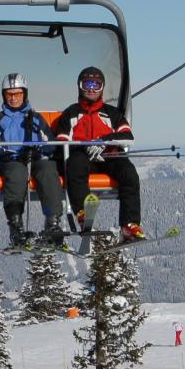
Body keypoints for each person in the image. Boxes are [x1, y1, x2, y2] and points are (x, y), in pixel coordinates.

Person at [54, 65, 145, 241]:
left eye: (96, 85)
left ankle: (129, 224)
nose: (91, 89)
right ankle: (83, 213)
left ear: (102, 88)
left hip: (107, 157)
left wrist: (104, 142)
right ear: (80, 86)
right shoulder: (71, 113)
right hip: (82, 157)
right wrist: (85, 147)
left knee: (128, 172)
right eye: (87, 84)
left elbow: (127, 135)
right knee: (75, 164)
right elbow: (61, 142)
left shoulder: (112, 114)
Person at [0, 72, 64, 249]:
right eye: (9, 94)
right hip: (12, 161)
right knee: (17, 173)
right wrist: (12, 154)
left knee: (48, 169)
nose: (13, 98)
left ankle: (52, 222)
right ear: (4, 95)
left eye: (18, 94)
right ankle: (16, 225)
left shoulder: (35, 118)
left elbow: (50, 144)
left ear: (25, 94)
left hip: (35, 159)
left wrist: (38, 150)